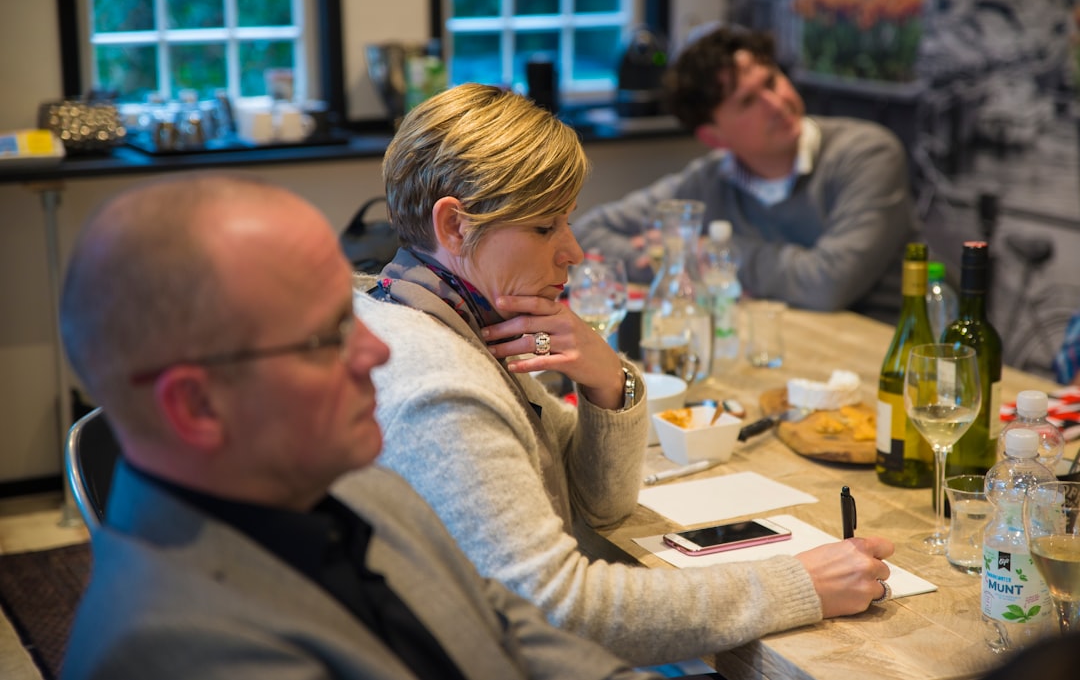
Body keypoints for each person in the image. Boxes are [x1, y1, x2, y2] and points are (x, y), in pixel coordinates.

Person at [347, 82, 896, 667]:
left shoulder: (426, 312)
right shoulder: (443, 385)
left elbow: (599, 505)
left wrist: (609, 379)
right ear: (454, 226)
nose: (574, 251)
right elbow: (561, 610)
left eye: (568, 222)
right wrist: (798, 585)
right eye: (544, 227)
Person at [58, 172, 660, 680]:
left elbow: (510, 628)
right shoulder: (181, 647)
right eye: (329, 335)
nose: (375, 351)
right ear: (197, 408)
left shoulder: (361, 490)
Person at [573, 26, 916, 323]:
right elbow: (588, 233)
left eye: (772, 81)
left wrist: (713, 253)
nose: (777, 103)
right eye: (749, 101)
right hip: (785, 344)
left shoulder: (867, 154)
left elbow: (827, 285)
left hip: (894, 357)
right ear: (713, 136)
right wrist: (678, 262)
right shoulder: (707, 182)